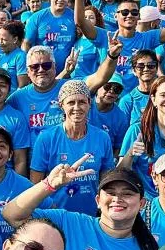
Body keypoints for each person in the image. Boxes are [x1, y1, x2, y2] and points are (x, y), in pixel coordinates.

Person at [3, 164, 157, 250]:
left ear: (142, 204)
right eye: (110, 193)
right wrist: (49, 185)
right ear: (98, 200)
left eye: (127, 194)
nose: (117, 199)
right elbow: (13, 216)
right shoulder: (68, 222)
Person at [29, 80, 115, 214]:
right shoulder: (46, 138)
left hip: (90, 216)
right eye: (70, 102)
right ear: (61, 105)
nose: (77, 107)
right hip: (55, 215)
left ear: (89, 104)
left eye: (82, 102)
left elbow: (106, 180)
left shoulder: (102, 137)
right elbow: (35, 185)